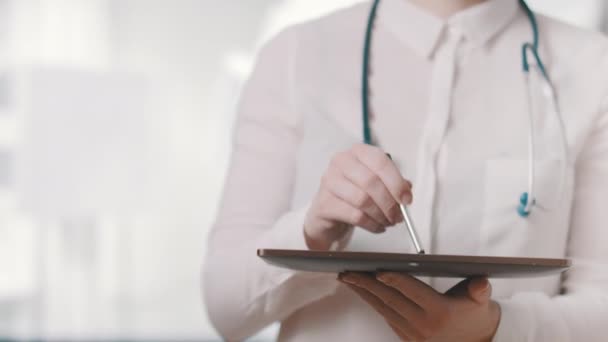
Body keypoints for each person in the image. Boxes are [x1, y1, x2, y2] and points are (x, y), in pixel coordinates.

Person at [203, 0, 608, 340]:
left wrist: (496, 328)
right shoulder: (295, 54)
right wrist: (312, 232)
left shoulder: (593, 68)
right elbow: (226, 307)